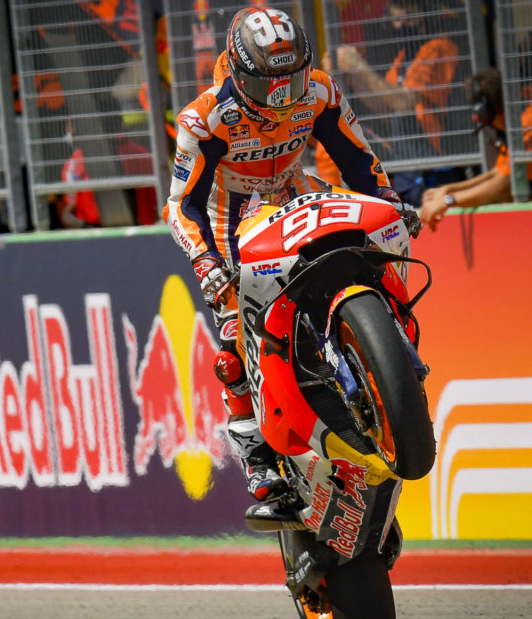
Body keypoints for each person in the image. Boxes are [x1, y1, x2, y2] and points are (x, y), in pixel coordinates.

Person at [164, 6, 419, 502]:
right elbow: (181, 203)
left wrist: (388, 201)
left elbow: (356, 158)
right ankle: (257, 456)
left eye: (293, 79)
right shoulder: (204, 118)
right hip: (228, 222)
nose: (283, 100)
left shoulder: (320, 91)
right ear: (237, 73)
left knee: (368, 246)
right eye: (267, 87)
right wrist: (206, 261)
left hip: (292, 191)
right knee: (236, 338)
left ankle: (394, 354)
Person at [419, 67, 532, 228]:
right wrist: (448, 190)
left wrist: (448, 201)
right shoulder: (516, 123)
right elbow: (495, 174)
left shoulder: (531, 121)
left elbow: (501, 186)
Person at [321, 0, 462, 204]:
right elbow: (384, 105)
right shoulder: (406, 56)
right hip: (408, 168)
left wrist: (357, 66)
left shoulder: (439, 48)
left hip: (435, 168)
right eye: (394, 18)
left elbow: (403, 102)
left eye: (404, 16)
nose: (398, 25)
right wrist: (348, 75)